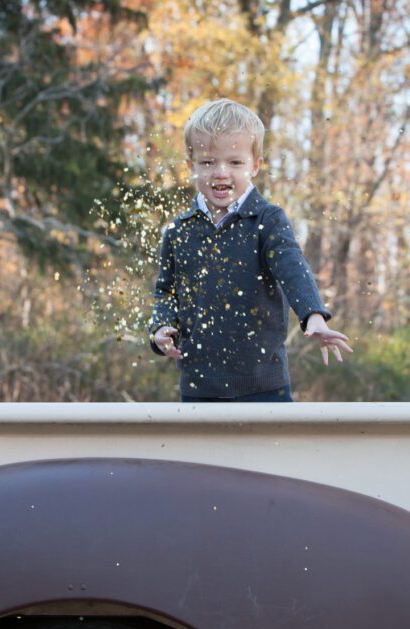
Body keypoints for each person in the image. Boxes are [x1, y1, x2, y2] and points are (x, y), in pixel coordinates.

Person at [148, 98, 352, 402]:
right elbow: (166, 292)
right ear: (191, 166)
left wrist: (313, 316)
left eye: (234, 162)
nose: (220, 172)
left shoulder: (266, 221)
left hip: (263, 387)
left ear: (254, 165)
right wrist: (161, 329)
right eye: (207, 162)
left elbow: (292, 268)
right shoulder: (180, 230)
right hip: (200, 389)